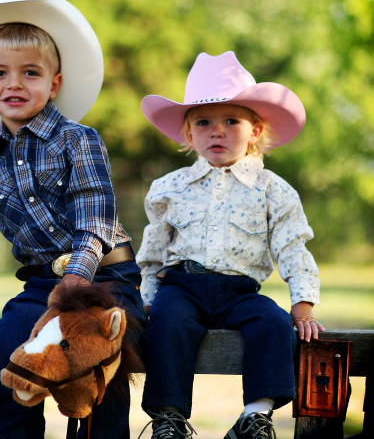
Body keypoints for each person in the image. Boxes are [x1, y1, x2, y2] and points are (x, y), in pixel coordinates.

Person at [0, 0, 146, 438]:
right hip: (43, 285)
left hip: (106, 278)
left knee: (101, 356)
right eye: (0, 74)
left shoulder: (77, 140)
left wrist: (79, 275)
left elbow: (95, 217)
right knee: (7, 348)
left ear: (55, 83)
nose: (15, 83)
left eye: (31, 72)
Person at [136, 51, 324, 439]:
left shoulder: (274, 190)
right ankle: (169, 419)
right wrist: (148, 298)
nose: (216, 131)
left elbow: (292, 247)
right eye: (203, 122)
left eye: (231, 121)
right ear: (188, 134)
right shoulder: (170, 188)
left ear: (255, 130)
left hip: (240, 292)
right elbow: (153, 253)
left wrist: (302, 306)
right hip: (182, 286)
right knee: (167, 325)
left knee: (272, 324)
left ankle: (254, 417)